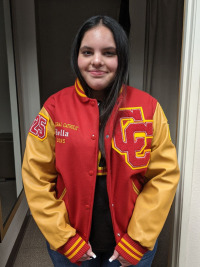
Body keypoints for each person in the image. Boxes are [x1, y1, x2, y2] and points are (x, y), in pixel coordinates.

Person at [22, 15, 180, 267]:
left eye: (108, 52)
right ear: (77, 57)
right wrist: (64, 239)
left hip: (131, 245)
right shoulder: (54, 108)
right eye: (87, 52)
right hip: (70, 244)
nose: (97, 61)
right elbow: (36, 177)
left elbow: (164, 177)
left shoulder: (149, 108)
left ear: (122, 59)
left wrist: (138, 240)